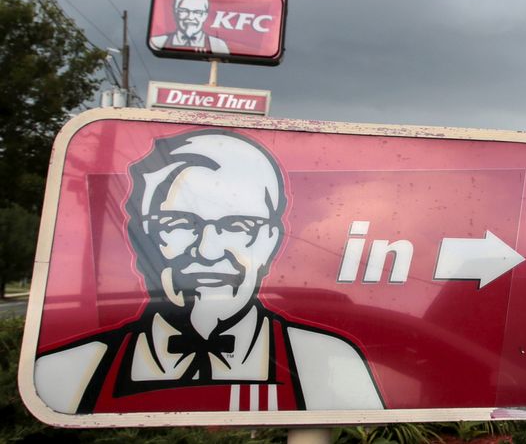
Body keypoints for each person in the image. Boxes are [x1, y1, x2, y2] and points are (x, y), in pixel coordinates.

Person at [34, 130, 383, 414]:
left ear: (271, 241)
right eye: (179, 223)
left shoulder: (328, 361)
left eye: (238, 225)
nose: (208, 250)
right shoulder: (72, 370)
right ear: (141, 238)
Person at [149, 0, 229, 54]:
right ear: (175, 13)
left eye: (197, 12)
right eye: (184, 11)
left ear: (205, 15)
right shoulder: (157, 42)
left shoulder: (218, 46)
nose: (190, 17)